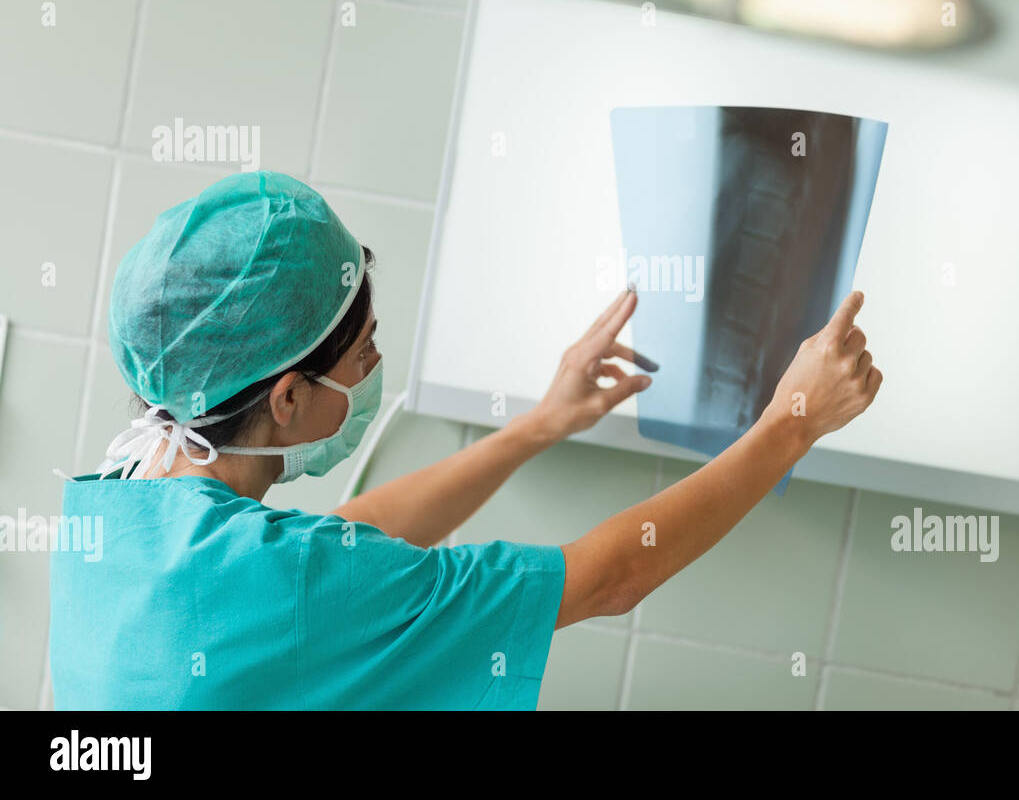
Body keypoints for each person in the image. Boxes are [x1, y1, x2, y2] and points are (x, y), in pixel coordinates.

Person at [48, 170, 882, 709]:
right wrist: (792, 422)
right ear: (291, 396)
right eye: (365, 352)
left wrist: (534, 428)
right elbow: (614, 578)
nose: (376, 366)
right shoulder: (289, 578)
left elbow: (350, 546)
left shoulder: (116, 506)